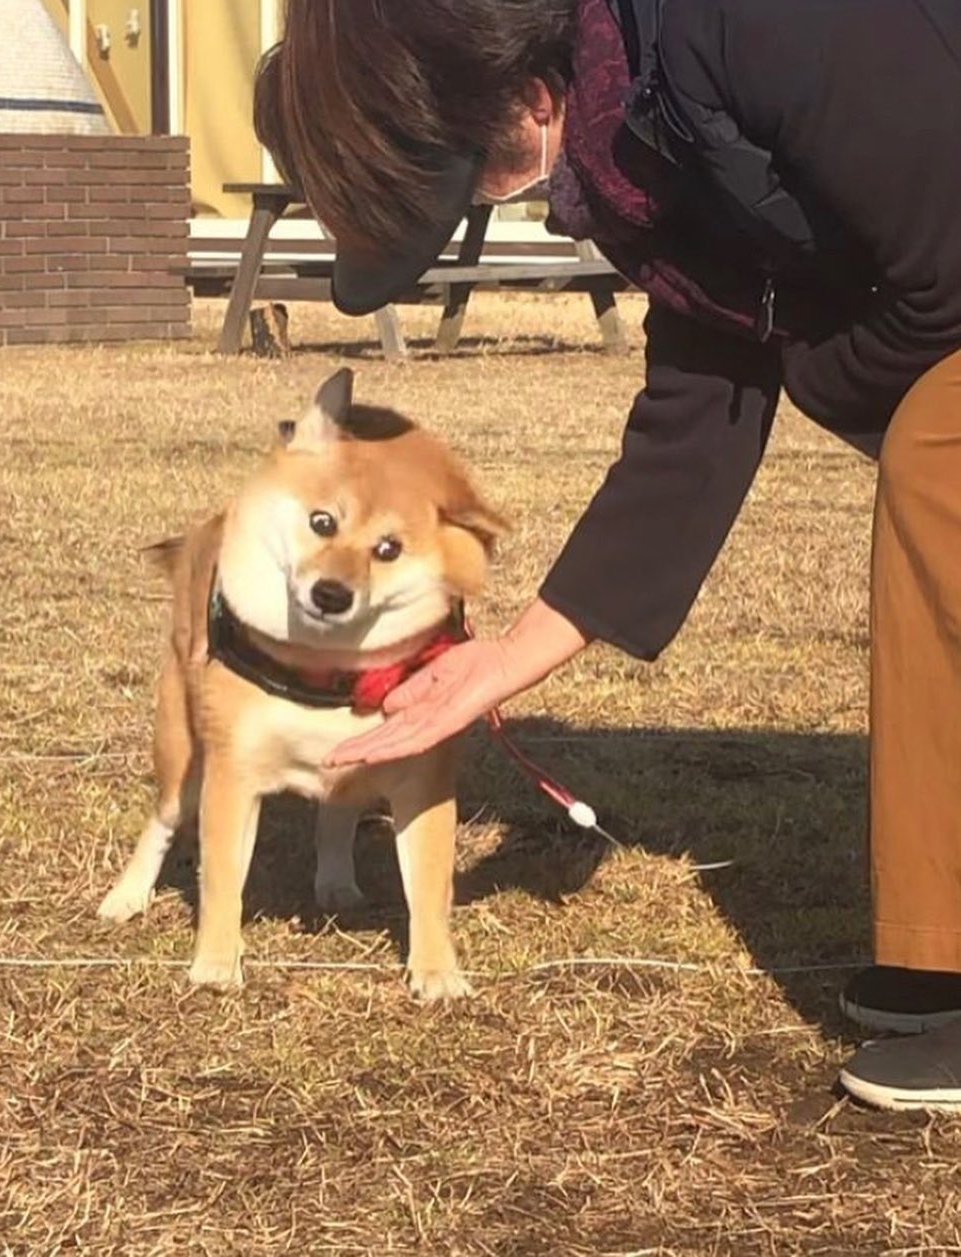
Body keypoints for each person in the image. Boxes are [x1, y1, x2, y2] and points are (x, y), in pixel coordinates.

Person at [253, 0, 961, 1111]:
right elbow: (703, 393)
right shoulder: (635, 134)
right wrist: (508, 661)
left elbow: (946, 260)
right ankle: (944, 942)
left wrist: (812, 362)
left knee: (942, 450)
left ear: (531, 96)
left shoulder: (761, 26)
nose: (500, 206)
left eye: (475, 183)